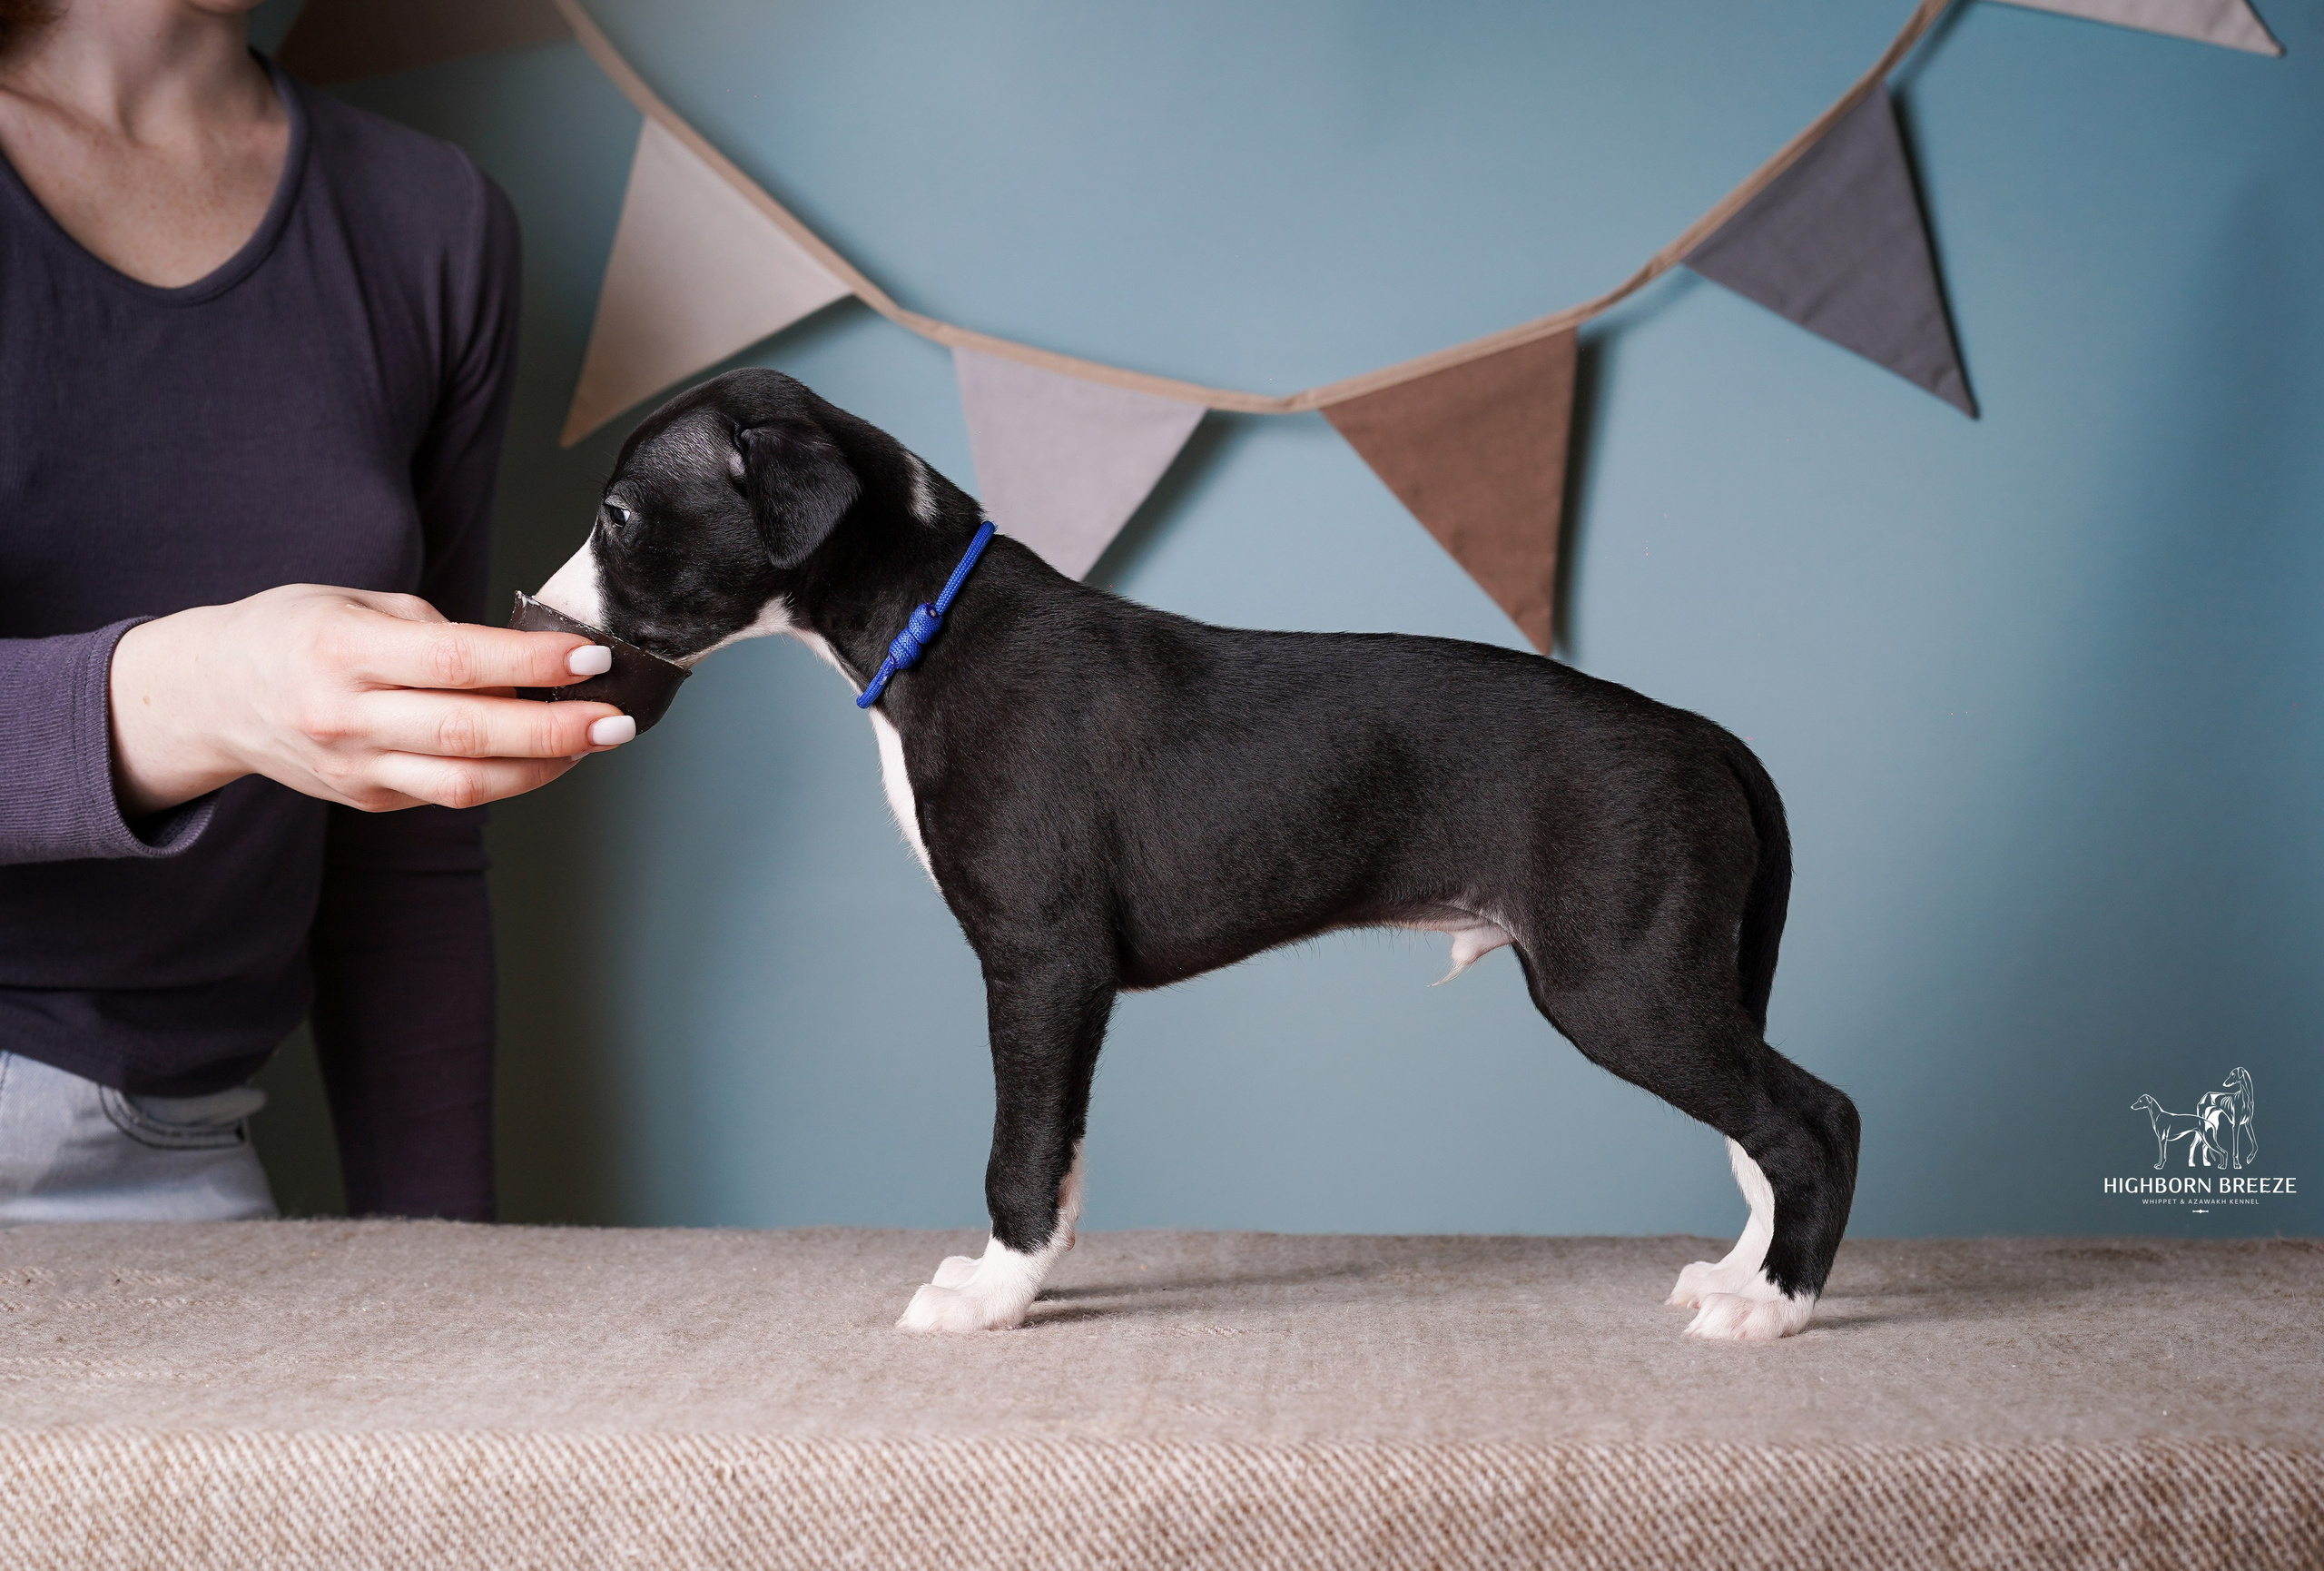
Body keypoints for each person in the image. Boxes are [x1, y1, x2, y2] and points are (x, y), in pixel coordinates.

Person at [0, 0, 627, 1224]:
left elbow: (411, 845)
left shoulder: (430, 223)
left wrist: (440, 1265)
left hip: (177, 1150)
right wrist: (201, 694)